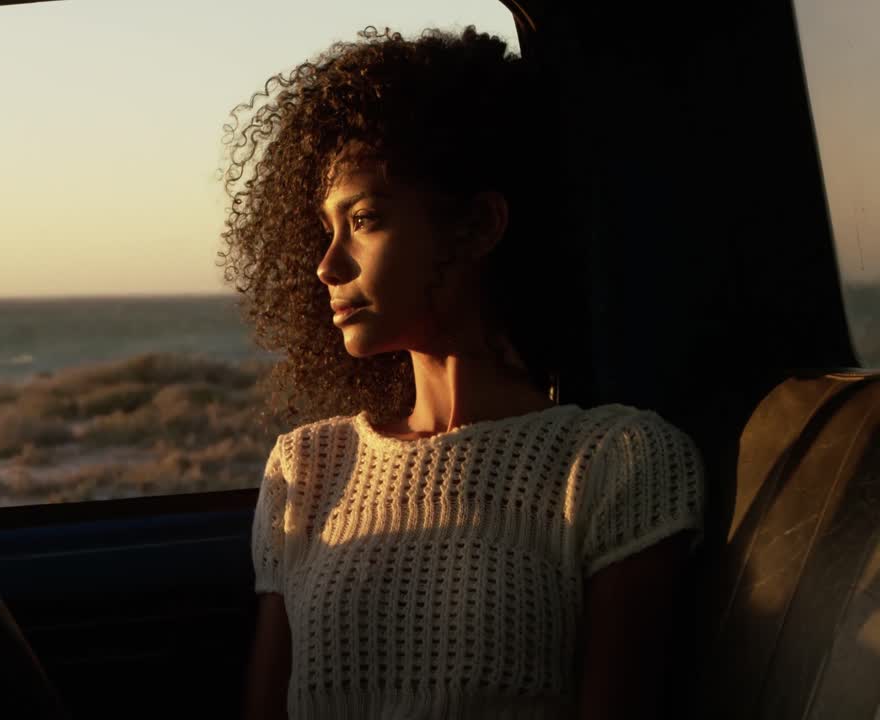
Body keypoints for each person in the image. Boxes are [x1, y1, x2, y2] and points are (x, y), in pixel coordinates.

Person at [219, 26, 705, 719]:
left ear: (477, 225)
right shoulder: (307, 467)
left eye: (364, 219)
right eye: (325, 228)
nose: (328, 265)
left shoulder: (615, 463)